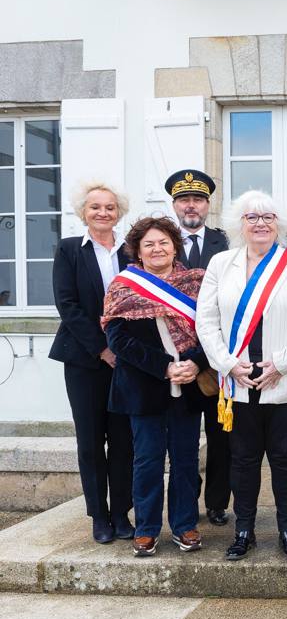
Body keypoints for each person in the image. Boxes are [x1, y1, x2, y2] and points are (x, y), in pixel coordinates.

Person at [196, 190, 287, 560]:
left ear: (279, 223)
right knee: (243, 460)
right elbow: (206, 321)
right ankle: (245, 529)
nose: (260, 223)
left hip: (285, 380)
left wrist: (281, 364)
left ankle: (286, 530)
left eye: (268, 217)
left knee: (286, 460)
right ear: (240, 224)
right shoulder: (221, 263)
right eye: (252, 217)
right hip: (238, 380)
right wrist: (227, 363)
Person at [102, 217, 208, 557]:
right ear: (138, 251)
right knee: (147, 461)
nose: (157, 249)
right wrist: (164, 367)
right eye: (149, 244)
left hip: (189, 384)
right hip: (143, 386)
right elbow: (118, 339)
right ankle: (146, 528)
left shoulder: (197, 283)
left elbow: (215, 330)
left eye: (163, 242)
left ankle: (185, 524)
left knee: (186, 460)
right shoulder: (123, 287)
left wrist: (194, 362)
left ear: (175, 246)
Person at [49, 182, 134, 544]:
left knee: (123, 440)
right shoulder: (69, 249)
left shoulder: (132, 250)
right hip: (84, 360)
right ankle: (99, 515)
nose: (103, 213)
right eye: (95, 207)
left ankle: (121, 513)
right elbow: (67, 305)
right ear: (83, 211)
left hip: (127, 361)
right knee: (90, 439)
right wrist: (102, 349)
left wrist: (124, 350)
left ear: (119, 212)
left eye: (110, 207)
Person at [169, 169, 231, 527]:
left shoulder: (225, 243)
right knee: (183, 440)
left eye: (198, 199)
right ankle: (186, 501)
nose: (191, 205)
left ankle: (218, 503)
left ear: (208, 204)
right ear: (175, 204)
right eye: (184, 199)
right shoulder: (161, 243)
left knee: (223, 436)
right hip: (176, 361)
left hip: (217, 357)